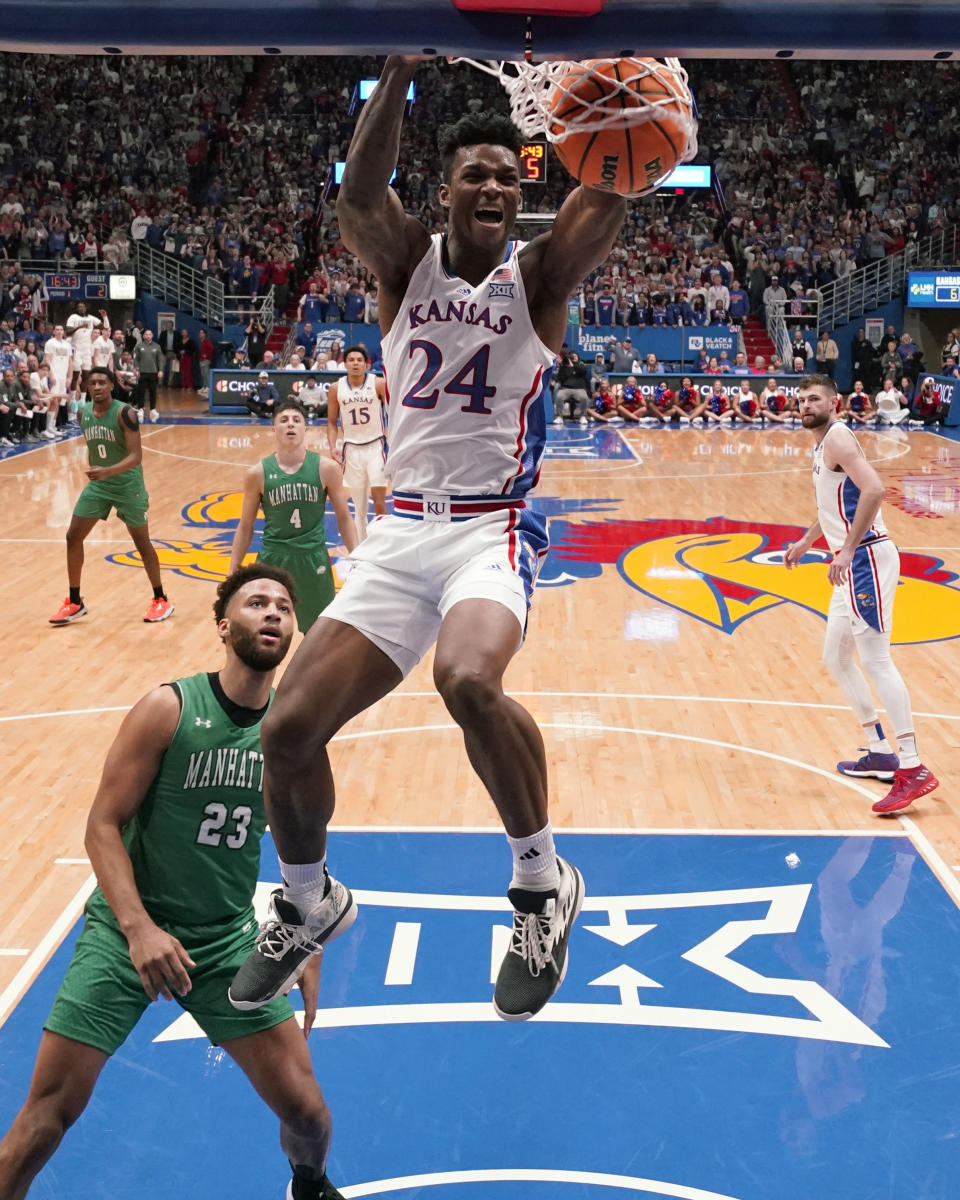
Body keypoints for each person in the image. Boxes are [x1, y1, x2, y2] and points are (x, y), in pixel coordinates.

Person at [229, 59, 630, 1024]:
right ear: (446, 190)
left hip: (489, 531)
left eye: (510, 177)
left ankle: (541, 883)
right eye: (477, 175)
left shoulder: (538, 278)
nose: (495, 187)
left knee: (470, 680)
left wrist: (622, 121)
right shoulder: (406, 268)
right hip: (401, 532)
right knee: (283, 735)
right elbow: (359, 194)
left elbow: (604, 196)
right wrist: (401, 64)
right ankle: (309, 900)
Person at [0, 566, 346, 1200]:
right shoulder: (169, 707)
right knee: (48, 1116)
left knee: (309, 1115)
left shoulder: (294, 735)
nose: (272, 613)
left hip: (227, 942)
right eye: (256, 603)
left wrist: (306, 935)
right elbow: (102, 825)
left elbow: (304, 839)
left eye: (283, 607)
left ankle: (310, 1187)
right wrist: (138, 929)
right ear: (223, 625)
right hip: (127, 929)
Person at [786, 375, 939, 813]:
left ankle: (912, 769)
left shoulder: (837, 438)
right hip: (852, 560)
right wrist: (807, 541)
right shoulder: (823, 444)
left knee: (875, 658)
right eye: (801, 400)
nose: (805, 405)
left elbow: (874, 489)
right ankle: (880, 751)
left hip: (866, 558)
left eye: (814, 398)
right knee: (836, 657)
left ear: (834, 403)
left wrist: (848, 549)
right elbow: (835, 504)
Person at [48, 366, 173, 626]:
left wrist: (108, 470)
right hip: (99, 486)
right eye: (92, 383)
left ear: (112, 385)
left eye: (102, 382)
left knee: (141, 542)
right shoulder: (83, 413)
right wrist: (100, 471)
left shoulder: (124, 413)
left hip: (128, 484)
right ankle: (74, 601)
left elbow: (136, 456)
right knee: (73, 536)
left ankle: (161, 599)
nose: (96, 387)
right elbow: (98, 448)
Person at [230, 400, 358, 633]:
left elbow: (345, 518)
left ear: (305, 429)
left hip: (313, 559)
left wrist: (359, 558)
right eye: (284, 420)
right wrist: (233, 571)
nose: (291, 425)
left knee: (320, 636)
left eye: (297, 420)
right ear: (274, 429)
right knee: (262, 634)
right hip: (273, 561)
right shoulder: (257, 473)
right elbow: (245, 526)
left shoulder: (326, 468)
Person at [326, 345, 388, 540]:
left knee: (379, 500)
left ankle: (382, 542)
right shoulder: (336, 388)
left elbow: (394, 412)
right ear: (344, 364)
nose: (355, 363)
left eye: (359, 360)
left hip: (376, 446)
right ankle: (360, 547)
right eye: (351, 360)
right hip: (351, 449)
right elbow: (331, 421)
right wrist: (332, 446)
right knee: (359, 507)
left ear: (365, 364)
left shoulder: (378, 384)